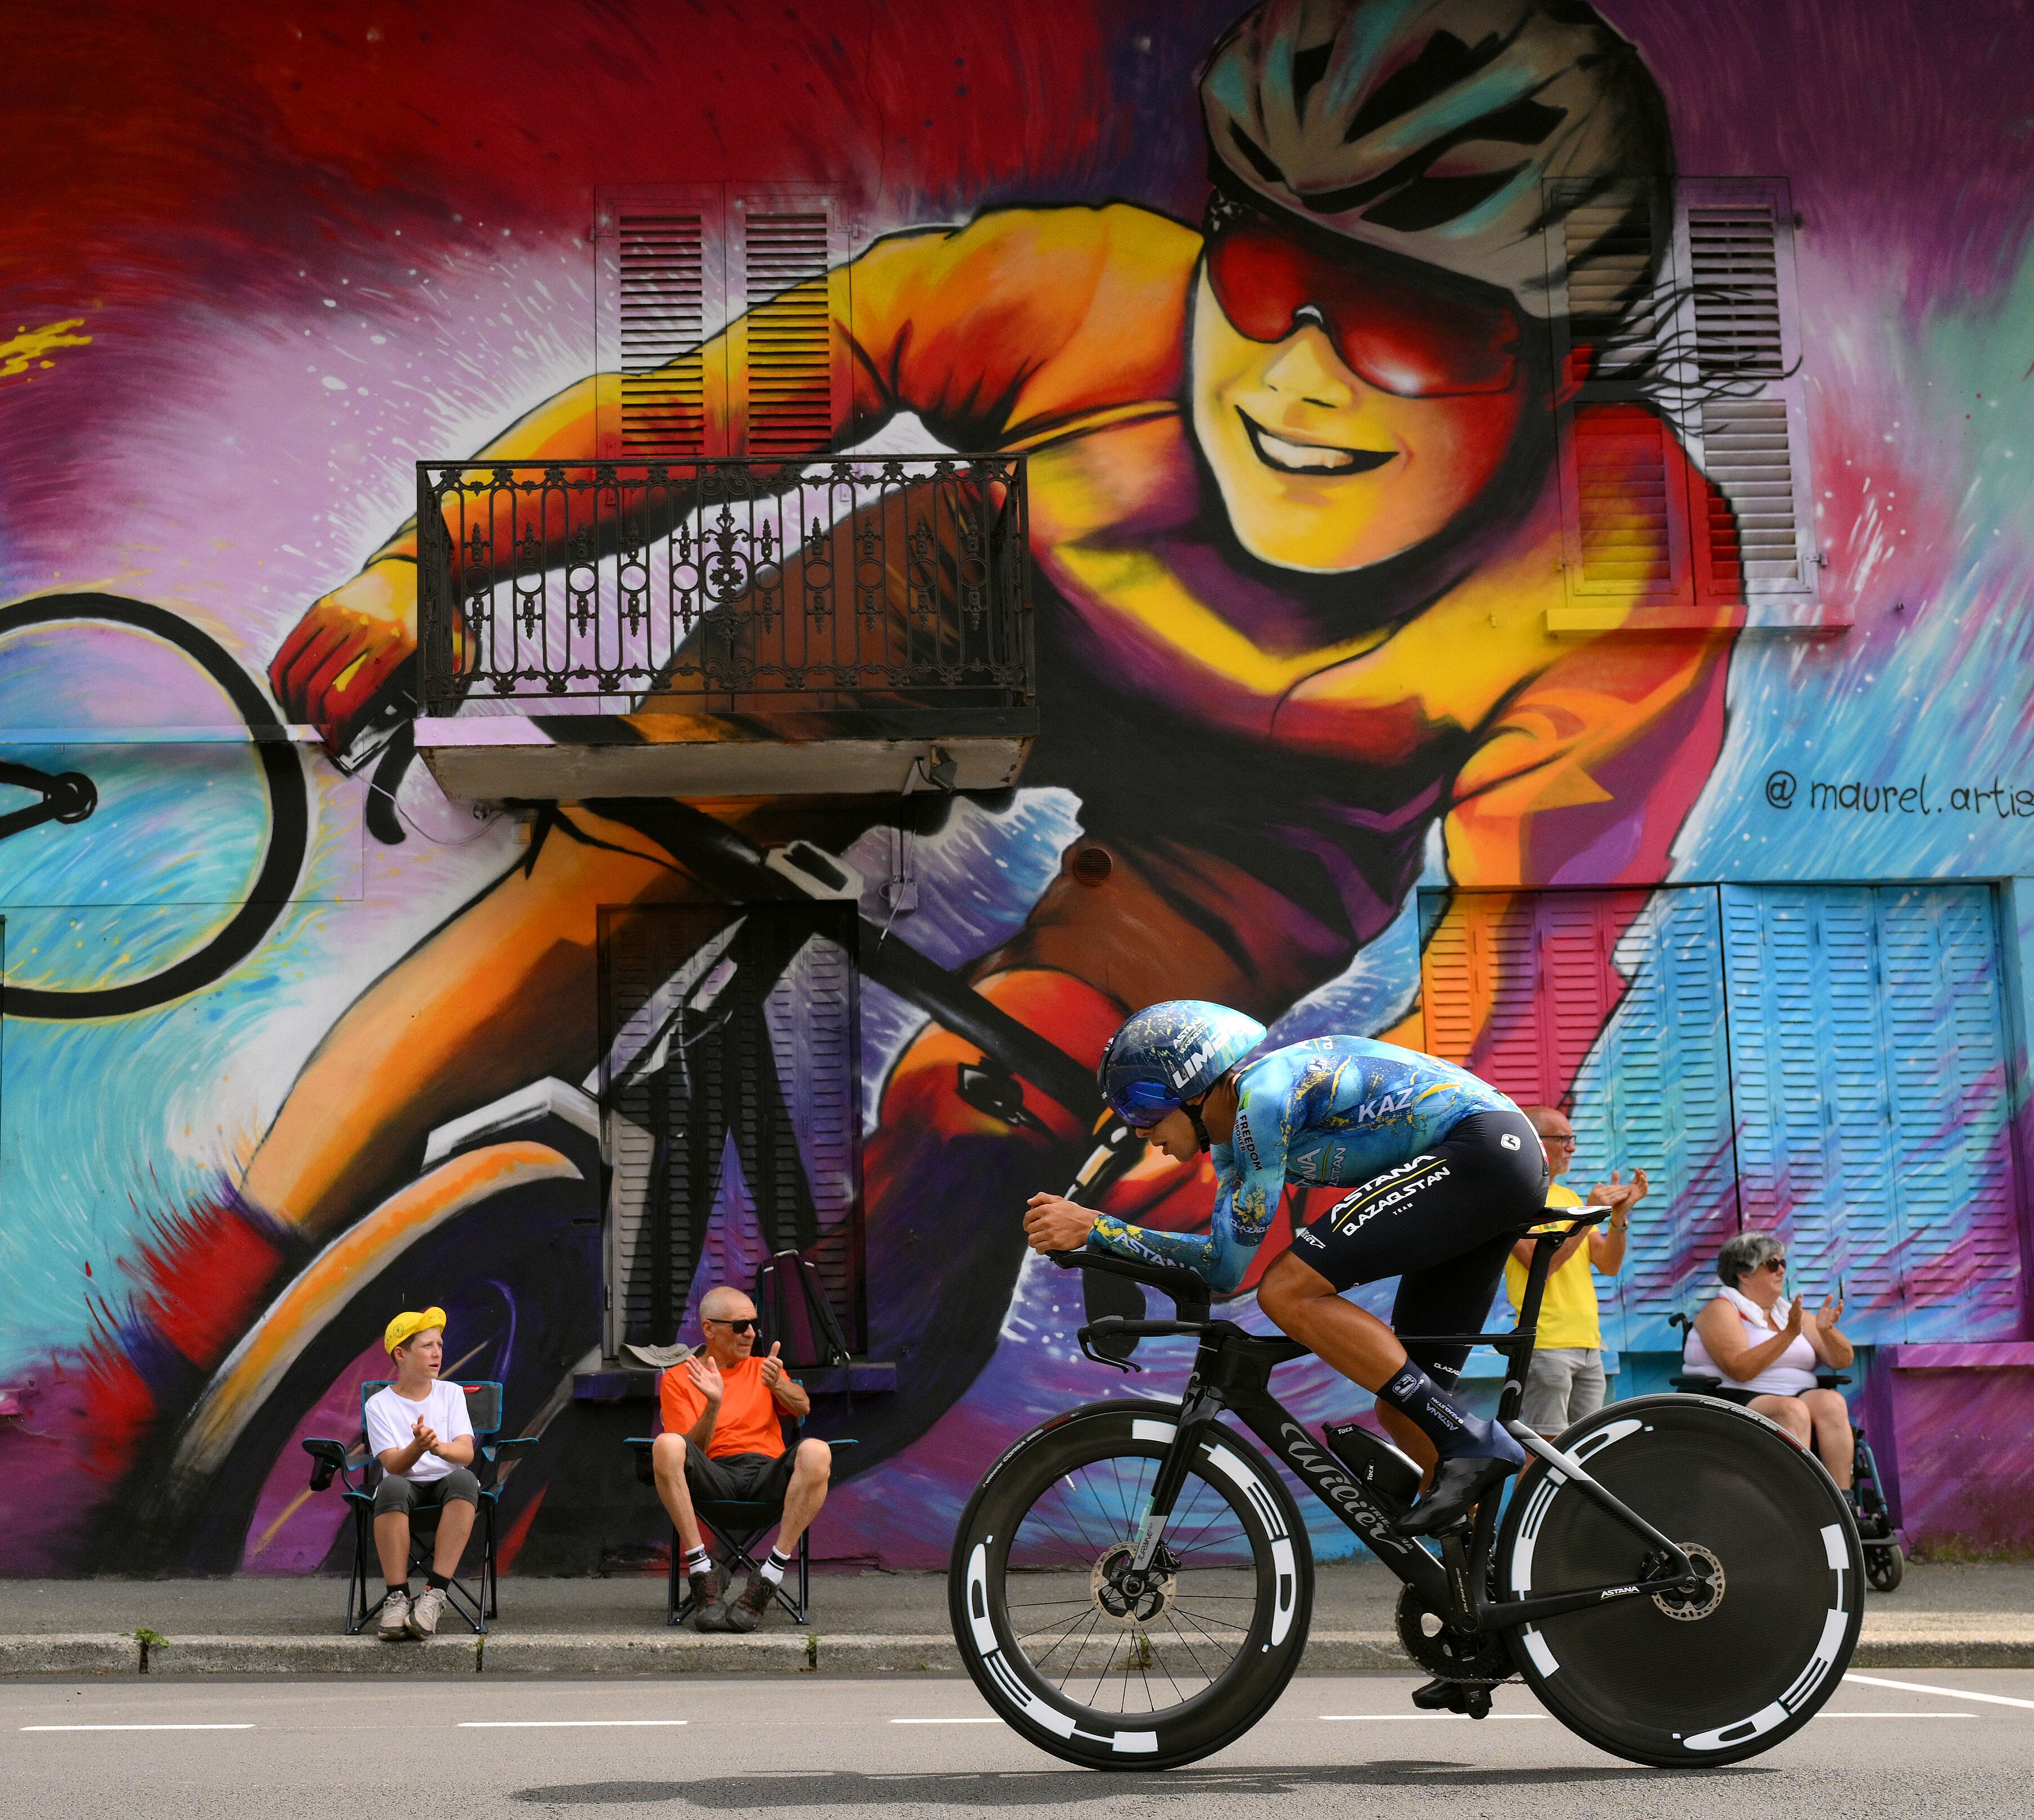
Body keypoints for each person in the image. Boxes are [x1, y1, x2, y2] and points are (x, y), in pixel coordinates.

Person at [176, 0, 1738, 1491]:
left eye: (1411, 322)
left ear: (1567, 357)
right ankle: (198, 1332)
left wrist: (1286, 1185)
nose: (1303, 374)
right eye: (1266, 275)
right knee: (582, 898)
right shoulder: (1064, 296)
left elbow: (1518, 990)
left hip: (1264, 829)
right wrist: (410, 581)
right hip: (961, 604)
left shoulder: (1619, 571)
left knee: (972, 1104)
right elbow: (699, 415)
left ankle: (787, 1412)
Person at [1022, 1000, 1548, 1539]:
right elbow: (1224, 1269)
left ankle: (1473, 1442)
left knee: (1289, 1290)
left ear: (1191, 1087)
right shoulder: (1234, 1148)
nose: (1138, 1131)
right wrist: (1103, 1240)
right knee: (1407, 1411)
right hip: (1489, 1168)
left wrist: (1099, 1229)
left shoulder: (1264, 1099)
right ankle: (1514, 1558)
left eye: (1142, 1108)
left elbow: (1234, 1268)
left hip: (1486, 1152)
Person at [651, 1286, 831, 1634]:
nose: (750, 1333)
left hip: (767, 1476)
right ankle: (703, 1571)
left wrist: (779, 1384)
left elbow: (802, 1407)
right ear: (709, 1329)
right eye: (739, 1326)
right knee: (667, 1445)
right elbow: (692, 1450)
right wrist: (714, 1404)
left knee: (818, 1450)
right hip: (713, 1476)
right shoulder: (679, 1378)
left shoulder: (763, 1367)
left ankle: (769, 1576)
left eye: (753, 1324)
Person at [1501, 1106, 1648, 1440]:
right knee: (1543, 1450)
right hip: (1546, 1343)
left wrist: (1617, 1218)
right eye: (1564, 1139)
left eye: (1572, 1139)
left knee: (1586, 1452)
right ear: (1534, 1142)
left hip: (1587, 1343)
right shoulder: (1517, 1197)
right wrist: (1586, 1220)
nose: (1573, 1148)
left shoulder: (1568, 1196)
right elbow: (1543, 1266)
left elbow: (1608, 1265)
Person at [1683, 1232, 1856, 1488]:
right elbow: (1740, 1369)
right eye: (1772, 1265)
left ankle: (1844, 1501)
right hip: (1735, 1398)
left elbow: (1843, 1360)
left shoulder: (1788, 1311)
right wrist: (1788, 1335)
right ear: (1744, 1274)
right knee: (1791, 1410)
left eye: (1783, 1264)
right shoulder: (1721, 1310)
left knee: (1832, 1402)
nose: (1781, 1271)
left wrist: (1827, 1332)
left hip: (1795, 1393)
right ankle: (1800, 1501)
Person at [363, 1307, 479, 1640]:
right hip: (405, 1489)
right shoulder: (380, 1405)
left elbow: (466, 1454)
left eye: (440, 1345)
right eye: (427, 1346)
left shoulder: (451, 1393)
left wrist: (436, 1446)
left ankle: (435, 1594)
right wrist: (418, 1446)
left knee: (464, 1480)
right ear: (401, 1354)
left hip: (447, 1486)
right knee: (392, 1487)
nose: (437, 1353)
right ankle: (398, 1597)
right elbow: (393, 1465)